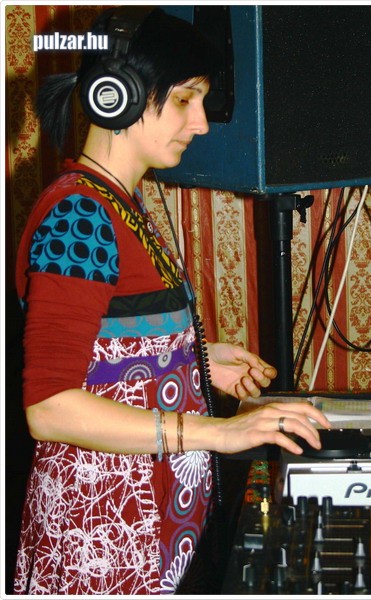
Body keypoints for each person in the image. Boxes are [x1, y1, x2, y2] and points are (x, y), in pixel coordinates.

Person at [14, 6, 330, 595]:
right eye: (186, 99)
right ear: (118, 97)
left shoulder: (117, 204)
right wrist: (218, 433)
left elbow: (105, 351)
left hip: (151, 527)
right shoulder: (79, 216)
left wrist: (194, 360)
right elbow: (49, 408)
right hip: (104, 539)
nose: (202, 124)